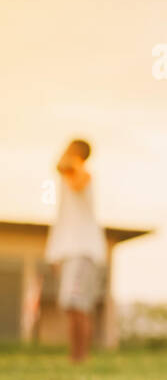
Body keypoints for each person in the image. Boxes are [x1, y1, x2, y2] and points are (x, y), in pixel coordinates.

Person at [45, 139, 107, 364]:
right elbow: (62, 221)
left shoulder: (82, 174)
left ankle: (80, 356)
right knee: (72, 306)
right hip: (70, 252)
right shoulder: (65, 179)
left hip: (83, 251)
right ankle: (76, 355)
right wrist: (54, 254)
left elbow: (66, 169)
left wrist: (69, 160)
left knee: (78, 306)